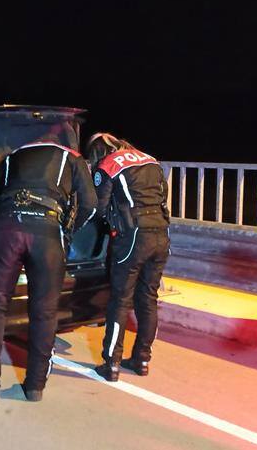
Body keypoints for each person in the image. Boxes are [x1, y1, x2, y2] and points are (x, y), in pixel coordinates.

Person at [0, 127, 98, 412]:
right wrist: (67, 231)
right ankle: (35, 386)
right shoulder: (71, 157)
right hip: (47, 231)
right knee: (44, 311)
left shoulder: (11, 157)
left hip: (7, 227)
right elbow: (90, 205)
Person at [88, 133, 170, 381]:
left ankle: (111, 363)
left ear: (98, 151)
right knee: (149, 298)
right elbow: (163, 196)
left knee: (120, 300)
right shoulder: (151, 160)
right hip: (161, 234)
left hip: (133, 237)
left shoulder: (108, 164)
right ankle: (142, 359)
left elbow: (99, 207)